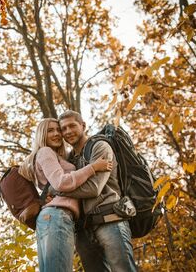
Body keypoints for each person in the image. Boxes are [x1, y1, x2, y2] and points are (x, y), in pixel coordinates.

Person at [19, 118, 112, 272]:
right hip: (57, 216)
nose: (57, 134)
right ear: (42, 134)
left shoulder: (55, 156)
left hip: (54, 218)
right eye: (50, 130)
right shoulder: (45, 151)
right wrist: (93, 167)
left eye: (58, 130)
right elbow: (61, 183)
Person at [58, 110, 137, 272]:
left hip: (110, 220)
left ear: (83, 126)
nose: (68, 132)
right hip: (84, 230)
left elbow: (94, 188)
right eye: (63, 129)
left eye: (72, 126)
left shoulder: (99, 146)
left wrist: (60, 190)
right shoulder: (70, 159)